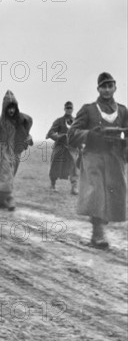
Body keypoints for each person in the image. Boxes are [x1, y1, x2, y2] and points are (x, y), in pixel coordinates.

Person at [68, 72, 127, 249]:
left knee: (113, 194)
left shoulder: (123, 111)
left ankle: (99, 228)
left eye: (110, 86)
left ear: (115, 87)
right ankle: (98, 233)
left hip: (114, 158)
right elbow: (72, 135)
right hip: (93, 157)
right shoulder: (88, 109)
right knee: (96, 194)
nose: (107, 90)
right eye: (104, 86)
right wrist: (90, 135)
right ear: (98, 89)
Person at [0, 90, 34, 211]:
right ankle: (10, 199)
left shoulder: (20, 120)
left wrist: (28, 138)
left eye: (13, 108)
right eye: (8, 108)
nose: (11, 110)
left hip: (15, 152)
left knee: (9, 176)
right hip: (1, 153)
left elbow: (25, 132)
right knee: (6, 176)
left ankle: (1, 200)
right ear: (4, 108)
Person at [47, 101, 79, 194]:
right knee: (55, 164)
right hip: (60, 146)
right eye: (67, 108)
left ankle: (74, 187)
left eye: (70, 108)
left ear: (73, 109)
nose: (69, 110)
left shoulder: (77, 121)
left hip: (73, 147)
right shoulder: (59, 121)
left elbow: (81, 132)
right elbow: (51, 133)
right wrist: (60, 136)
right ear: (64, 109)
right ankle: (52, 185)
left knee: (74, 166)